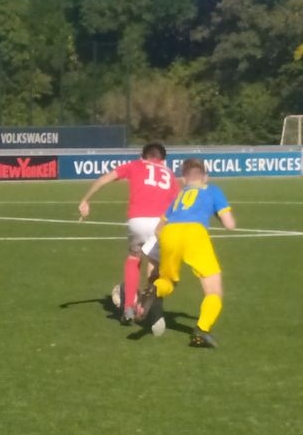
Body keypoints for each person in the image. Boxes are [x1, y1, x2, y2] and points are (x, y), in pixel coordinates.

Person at [78, 142, 179, 328]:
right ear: (163, 160)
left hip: (137, 220)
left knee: (134, 257)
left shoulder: (135, 165)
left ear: (143, 156)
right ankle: (148, 307)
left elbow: (104, 179)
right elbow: (178, 203)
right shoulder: (169, 174)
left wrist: (86, 200)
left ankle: (128, 308)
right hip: (160, 223)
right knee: (155, 265)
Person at [141, 158, 235, 348]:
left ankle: (155, 289)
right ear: (205, 177)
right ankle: (201, 331)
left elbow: (158, 229)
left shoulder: (179, 196)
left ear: (184, 179)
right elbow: (230, 224)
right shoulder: (213, 190)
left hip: (169, 233)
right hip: (194, 233)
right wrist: (216, 213)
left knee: (168, 281)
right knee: (214, 290)